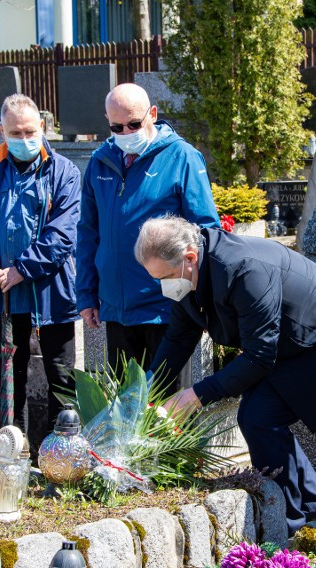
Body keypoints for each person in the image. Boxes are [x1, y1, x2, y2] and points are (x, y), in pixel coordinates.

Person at [136, 216, 316, 535]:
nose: (164, 286)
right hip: (290, 344)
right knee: (260, 415)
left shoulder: (243, 269)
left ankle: (291, 521)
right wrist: (148, 389)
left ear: (190, 258)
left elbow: (259, 356)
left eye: (165, 277)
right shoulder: (191, 274)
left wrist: (195, 395)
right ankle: (315, 509)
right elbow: (179, 337)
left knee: (259, 416)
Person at [76, 83, 219, 389]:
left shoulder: (182, 157)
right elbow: (88, 232)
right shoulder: (100, 161)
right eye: (117, 126)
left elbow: (206, 231)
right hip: (117, 309)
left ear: (152, 114)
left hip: (166, 308)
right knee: (126, 408)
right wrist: (87, 293)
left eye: (134, 124)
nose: (126, 132)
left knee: (166, 408)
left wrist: (205, 299)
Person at [0, 94, 81, 437]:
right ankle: (12, 446)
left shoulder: (63, 171)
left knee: (61, 376)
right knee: (10, 375)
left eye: (31, 131)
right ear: (2, 130)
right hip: (4, 293)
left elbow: (63, 234)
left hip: (50, 293)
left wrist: (21, 269)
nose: (25, 139)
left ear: (42, 127)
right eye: (15, 133)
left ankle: (59, 453)